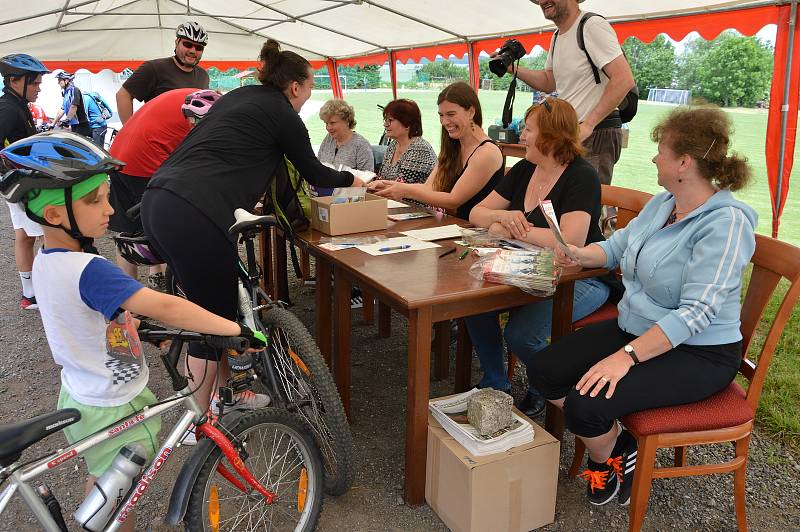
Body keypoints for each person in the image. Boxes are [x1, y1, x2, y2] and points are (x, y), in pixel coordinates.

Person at [0, 131, 267, 531]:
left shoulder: (47, 261)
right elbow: (165, 303)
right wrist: (234, 328)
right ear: (54, 215)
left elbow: (86, 317)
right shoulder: (90, 270)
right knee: (118, 499)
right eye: (95, 200)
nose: (109, 209)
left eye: (107, 196)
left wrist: (139, 328)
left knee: (109, 480)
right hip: (112, 401)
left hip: (83, 389)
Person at [529, 106, 756, 507]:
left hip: (698, 353)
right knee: (544, 370)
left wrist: (627, 357)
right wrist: (581, 255)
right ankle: (618, 446)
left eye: (661, 151)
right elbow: (617, 246)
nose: (654, 157)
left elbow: (697, 313)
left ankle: (607, 461)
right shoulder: (663, 203)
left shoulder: (726, 223)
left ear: (683, 162)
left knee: (586, 405)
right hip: (635, 329)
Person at [142, 39, 365, 412]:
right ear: (295, 87)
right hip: (195, 213)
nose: (308, 97)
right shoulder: (283, 114)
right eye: (309, 89)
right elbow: (314, 172)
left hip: (157, 199)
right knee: (211, 324)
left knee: (212, 311)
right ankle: (198, 423)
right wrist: (353, 180)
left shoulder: (238, 96)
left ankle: (227, 395)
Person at [464, 97, 610, 417]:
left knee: (520, 335)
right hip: (529, 267)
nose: (521, 136)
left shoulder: (580, 176)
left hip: (581, 278)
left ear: (552, 137)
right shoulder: (524, 169)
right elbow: (477, 212)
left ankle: (549, 383)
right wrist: (500, 219)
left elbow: (569, 243)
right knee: (472, 303)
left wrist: (509, 227)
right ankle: (496, 380)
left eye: (528, 130)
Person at [517, 0, 635, 186]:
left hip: (595, 131)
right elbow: (549, 82)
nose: (542, 1)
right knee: (568, 198)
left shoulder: (591, 25)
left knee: (586, 201)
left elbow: (623, 79)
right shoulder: (557, 36)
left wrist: (588, 125)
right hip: (572, 132)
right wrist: (513, 69)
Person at [108, 88, 216, 289]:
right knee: (170, 225)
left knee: (126, 230)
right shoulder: (210, 109)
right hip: (146, 158)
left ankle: (131, 300)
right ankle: (181, 286)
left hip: (118, 154)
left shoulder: (189, 96)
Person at [371, 81, 503, 220]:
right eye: (441, 115)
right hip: (454, 226)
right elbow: (430, 188)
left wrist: (404, 191)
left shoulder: (487, 152)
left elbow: (453, 200)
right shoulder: (454, 146)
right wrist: (389, 185)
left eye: (451, 114)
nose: (445, 122)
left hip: (476, 232)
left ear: (471, 112)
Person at [0, 53, 49, 310]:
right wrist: (7, 172)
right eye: (35, 83)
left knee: (24, 235)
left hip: (18, 182)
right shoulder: (9, 108)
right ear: (15, 80)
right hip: (20, 184)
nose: (39, 88)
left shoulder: (17, 106)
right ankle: (41, 289)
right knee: (45, 234)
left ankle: (31, 293)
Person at [115, 22, 210, 124]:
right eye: (187, 44)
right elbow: (123, 94)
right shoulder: (154, 68)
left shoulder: (203, 75)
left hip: (190, 137)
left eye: (198, 47)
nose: (193, 51)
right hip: (157, 138)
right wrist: (129, 129)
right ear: (177, 42)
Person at [375, 98, 436, 184]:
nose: (385, 124)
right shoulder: (394, 145)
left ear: (407, 124)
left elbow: (403, 189)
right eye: (385, 120)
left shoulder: (419, 148)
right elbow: (381, 178)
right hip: (389, 197)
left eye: (390, 120)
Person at [317, 99, 375, 172]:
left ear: (346, 121)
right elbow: (318, 165)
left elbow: (368, 177)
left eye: (332, 123)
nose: (328, 128)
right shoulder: (328, 139)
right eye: (326, 123)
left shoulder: (361, 145)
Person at [53, 71, 92, 138]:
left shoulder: (74, 90)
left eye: (59, 80)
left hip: (81, 125)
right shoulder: (66, 92)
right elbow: (62, 109)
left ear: (66, 80)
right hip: (74, 125)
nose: (58, 83)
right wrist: (53, 124)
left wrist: (67, 120)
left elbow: (74, 106)